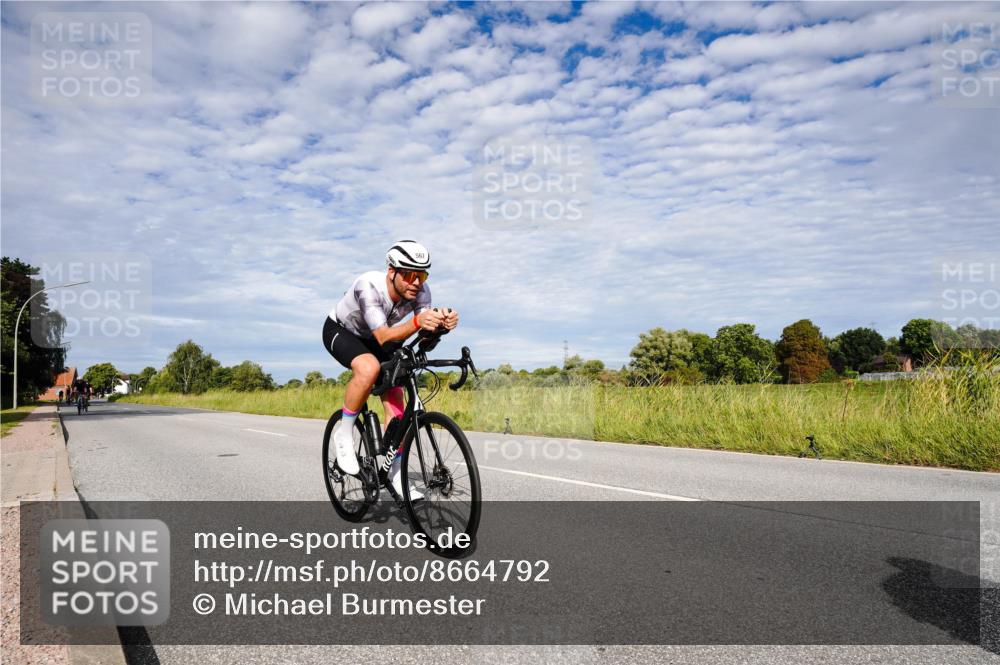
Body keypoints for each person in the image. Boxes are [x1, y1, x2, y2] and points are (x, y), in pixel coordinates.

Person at [322, 240, 458, 498]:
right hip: (342, 331)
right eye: (409, 275)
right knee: (368, 367)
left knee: (397, 394)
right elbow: (384, 336)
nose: (416, 282)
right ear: (392, 272)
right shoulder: (369, 286)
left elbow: (424, 340)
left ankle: (394, 470)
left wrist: (440, 328)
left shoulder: (422, 292)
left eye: (422, 275)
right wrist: (419, 321)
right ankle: (344, 433)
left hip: (380, 337)